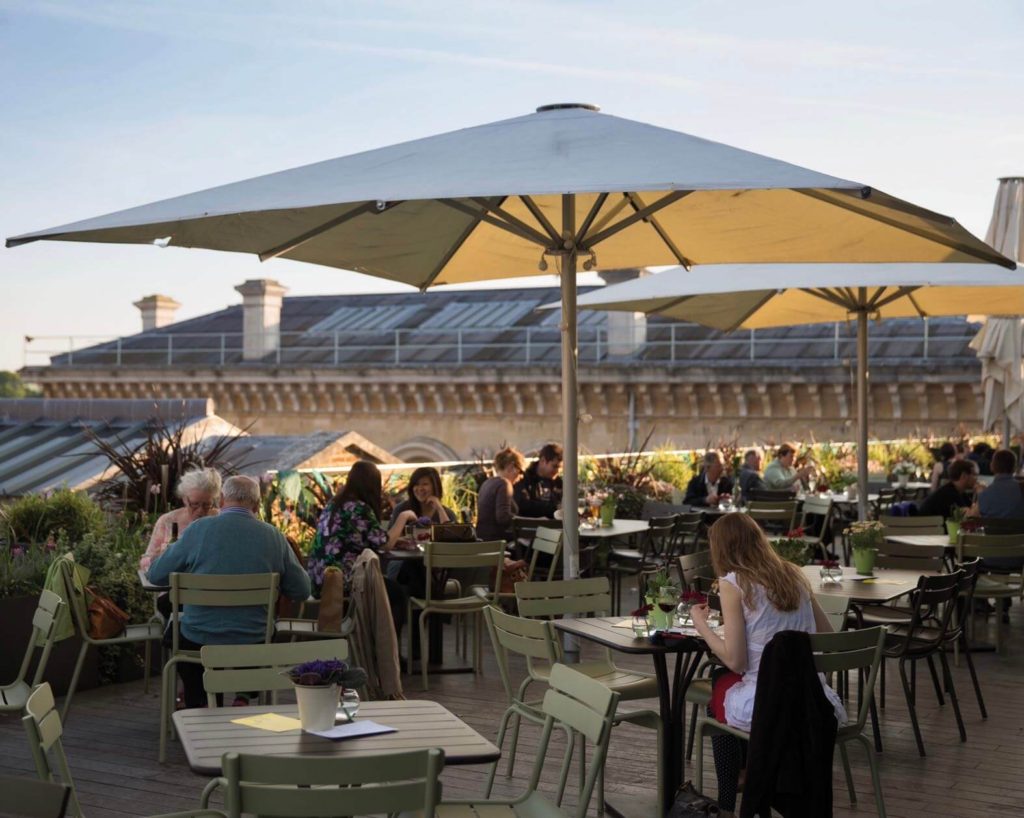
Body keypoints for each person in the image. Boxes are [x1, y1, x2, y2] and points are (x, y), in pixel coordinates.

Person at [689, 513, 845, 817]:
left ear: (721, 548)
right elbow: (828, 638)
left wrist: (701, 625)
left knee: (717, 690)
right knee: (726, 681)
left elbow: (737, 660)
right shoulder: (794, 574)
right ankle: (750, 768)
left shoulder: (733, 583)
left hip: (768, 705)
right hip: (815, 703)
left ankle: (729, 796)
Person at [146, 475, 311, 708]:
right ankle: (243, 696)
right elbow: (302, 591)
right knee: (259, 631)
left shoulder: (197, 531)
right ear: (256, 504)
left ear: (222, 500)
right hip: (252, 638)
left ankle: (201, 702)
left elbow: (156, 576)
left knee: (180, 633)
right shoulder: (274, 537)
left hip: (199, 638)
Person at [308, 460, 417, 595]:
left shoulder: (334, 504)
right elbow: (385, 544)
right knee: (398, 594)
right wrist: (404, 517)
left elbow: (360, 538)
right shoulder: (359, 508)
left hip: (319, 581)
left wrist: (396, 541)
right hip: (342, 583)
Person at [139, 467, 222, 571]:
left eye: (207, 504)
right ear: (184, 498)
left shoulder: (221, 519)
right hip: (174, 584)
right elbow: (144, 563)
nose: (200, 510)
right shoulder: (168, 520)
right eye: (195, 504)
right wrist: (155, 558)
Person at [476, 447, 525, 542]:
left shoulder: (487, 483)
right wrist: (532, 522)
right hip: (497, 544)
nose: (521, 476)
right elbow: (503, 518)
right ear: (511, 466)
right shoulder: (504, 484)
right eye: (521, 471)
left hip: (482, 540)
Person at [388, 466, 457, 529]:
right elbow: (390, 539)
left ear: (435, 487)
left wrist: (440, 509)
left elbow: (451, 537)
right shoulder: (401, 509)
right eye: (416, 484)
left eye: (425, 484)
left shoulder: (448, 514)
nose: (420, 488)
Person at [514, 443, 564, 518]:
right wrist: (554, 507)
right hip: (531, 526)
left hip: (555, 526)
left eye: (560, 467)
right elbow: (523, 506)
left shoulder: (558, 482)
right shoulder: (524, 479)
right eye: (554, 466)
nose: (557, 471)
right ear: (543, 461)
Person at [978, 448, 1024, 519]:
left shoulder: (984, 494)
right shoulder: (1021, 488)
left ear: (992, 466)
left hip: (992, 530)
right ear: (1014, 467)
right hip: (1019, 530)